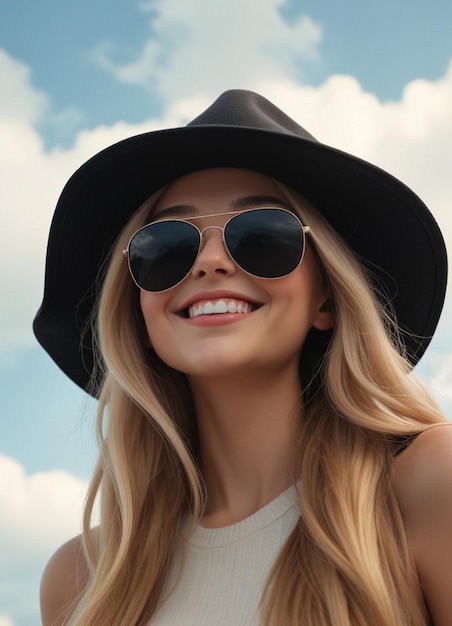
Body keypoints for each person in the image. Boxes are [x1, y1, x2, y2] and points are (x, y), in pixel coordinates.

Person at [35, 90, 451, 626]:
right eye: (164, 246)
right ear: (139, 312)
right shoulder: (82, 575)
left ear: (325, 298)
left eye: (262, 235)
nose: (209, 261)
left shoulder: (426, 486)